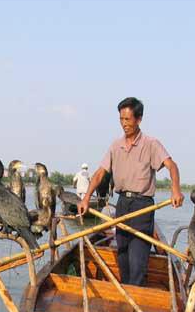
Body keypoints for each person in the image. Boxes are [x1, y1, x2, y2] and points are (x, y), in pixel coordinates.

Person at [78, 97, 184, 286]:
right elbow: (100, 173)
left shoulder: (151, 144)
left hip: (142, 206)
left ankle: (136, 303)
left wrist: (175, 189)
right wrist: (86, 199)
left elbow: (172, 166)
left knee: (138, 258)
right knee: (123, 255)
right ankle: (128, 293)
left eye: (128, 120)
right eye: (121, 119)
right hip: (122, 205)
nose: (124, 124)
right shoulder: (115, 146)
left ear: (139, 119)